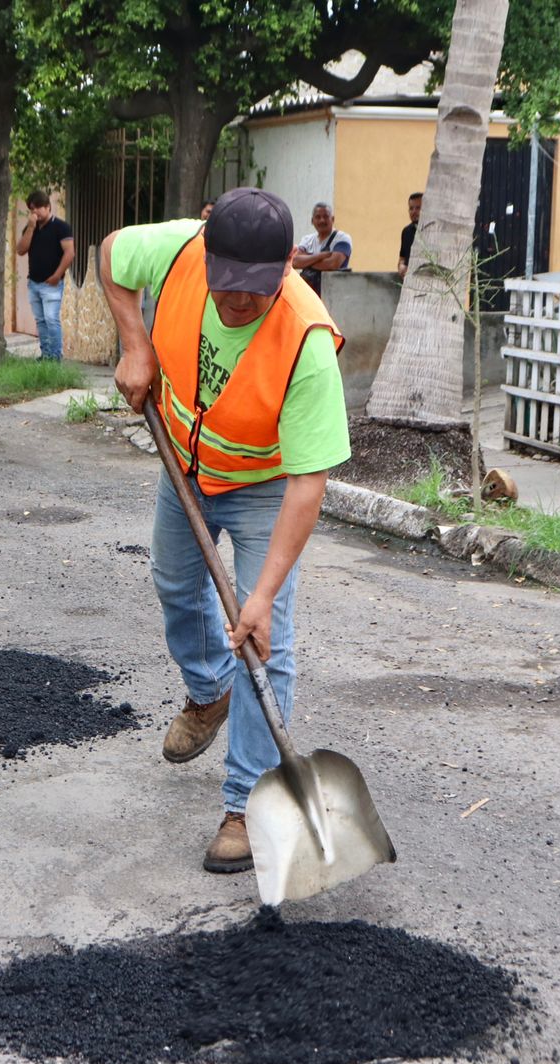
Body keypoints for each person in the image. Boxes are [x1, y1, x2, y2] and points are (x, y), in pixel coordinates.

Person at [98, 187, 349, 874]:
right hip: (185, 465)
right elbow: (111, 254)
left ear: (287, 267)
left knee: (267, 642)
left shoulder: (305, 341)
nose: (238, 302)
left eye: (255, 289)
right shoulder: (181, 250)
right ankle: (210, 693)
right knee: (174, 581)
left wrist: (260, 598)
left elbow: (309, 484)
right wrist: (135, 343)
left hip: (265, 484)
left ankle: (247, 806)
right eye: (227, 284)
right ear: (205, 250)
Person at [15, 190, 73, 361]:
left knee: (51, 319)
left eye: (38, 208)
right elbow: (20, 250)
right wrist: (31, 228)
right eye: (32, 209)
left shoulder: (61, 227)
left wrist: (57, 275)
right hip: (34, 283)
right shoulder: (30, 228)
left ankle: (55, 356)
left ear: (48, 207)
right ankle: (46, 354)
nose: (35, 212)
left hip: (52, 284)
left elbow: (69, 253)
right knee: (40, 321)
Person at [290, 201, 351, 298]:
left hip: (334, 294)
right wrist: (320, 256)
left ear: (332, 219)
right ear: (312, 220)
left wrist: (306, 261)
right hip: (310, 295)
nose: (322, 220)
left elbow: (332, 264)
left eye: (326, 216)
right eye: (318, 217)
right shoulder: (307, 240)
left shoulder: (342, 238)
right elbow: (294, 262)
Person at [397, 191, 423, 278]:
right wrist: (401, 267)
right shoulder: (406, 231)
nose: (414, 212)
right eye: (411, 208)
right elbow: (402, 258)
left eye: (418, 208)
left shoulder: (434, 231)